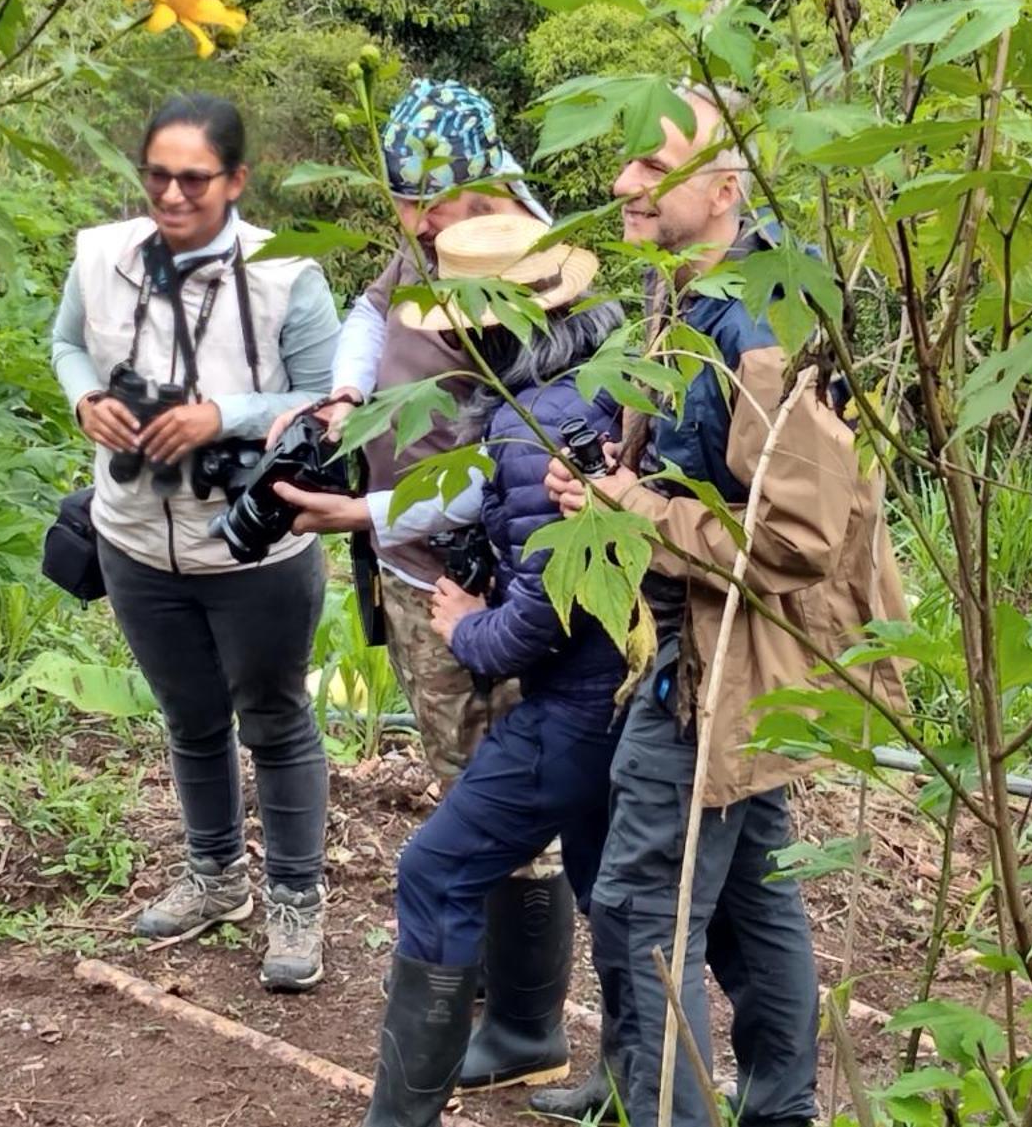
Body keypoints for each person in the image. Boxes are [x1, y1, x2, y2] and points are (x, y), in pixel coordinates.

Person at [543, 84, 907, 1127]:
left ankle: (674, 1110)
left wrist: (638, 510)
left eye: (651, 170)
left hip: (726, 663)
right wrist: (611, 489)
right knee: (751, 896)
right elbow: (687, 474)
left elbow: (794, 540)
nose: (620, 183)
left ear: (722, 187)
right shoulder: (691, 291)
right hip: (693, 646)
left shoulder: (763, 328)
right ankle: (775, 1108)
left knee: (637, 911)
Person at [270, 79, 587, 1089]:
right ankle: (489, 981)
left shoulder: (538, 282)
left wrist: (360, 514)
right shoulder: (431, 242)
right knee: (462, 771)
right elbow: (373, 304)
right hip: (412, 568)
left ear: (488, 182)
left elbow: (503, 474)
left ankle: (528, 1016)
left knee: (500, 788)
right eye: (404, 204)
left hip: (484, 578)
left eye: (432, 204)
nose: (415, 224)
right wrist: (346, 393)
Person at [49, 94, 341, 993]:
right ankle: (216, 876)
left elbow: (331, 402)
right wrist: (83, 398)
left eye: (194, 179)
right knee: (189, 717)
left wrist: (224, 415)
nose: (172, 195)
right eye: (157, 176)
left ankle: (296, 897)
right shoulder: (101, 257)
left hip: (254, 546)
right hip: (135, 535)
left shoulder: (288, 275)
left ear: (236, 180)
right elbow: (66, 344)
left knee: (277, 718)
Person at [362, 212, 628, 1127]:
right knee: (613, 897)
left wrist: (468, 626)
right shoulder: (608, 384)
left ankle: (401, 1117)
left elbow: (542, 620)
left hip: (572, 707)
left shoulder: (532, 427)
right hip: (631, 703)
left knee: (435, 871)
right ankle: (630, 1082)